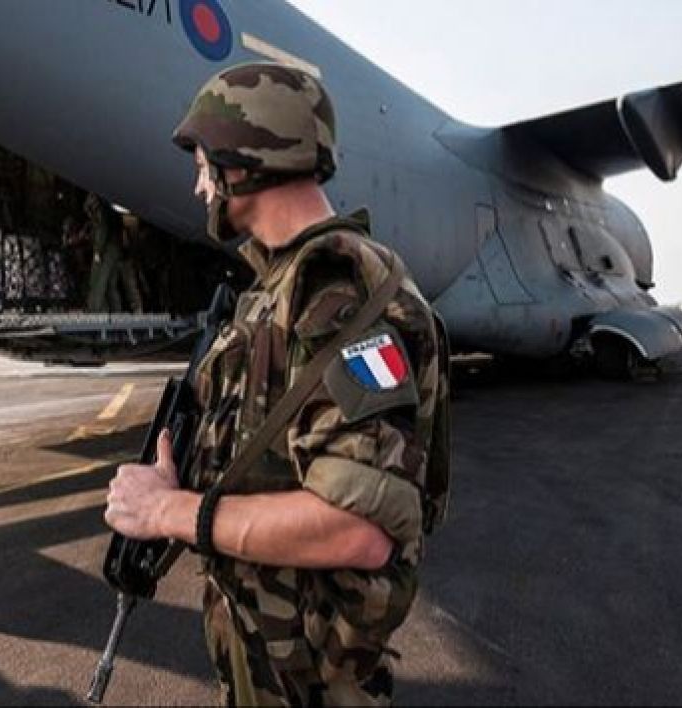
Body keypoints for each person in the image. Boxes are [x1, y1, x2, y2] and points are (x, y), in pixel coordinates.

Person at [103, 63, 448, 705]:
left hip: (312, 683)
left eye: (207, 162)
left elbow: (357, 528)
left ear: (247, 160)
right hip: (270, 660)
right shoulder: (279, 288)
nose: (200, 181)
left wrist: (169, 512)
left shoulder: (336, 294)